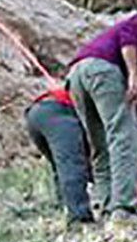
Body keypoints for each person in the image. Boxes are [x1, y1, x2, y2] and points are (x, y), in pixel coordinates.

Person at [66, 12, 137, 219]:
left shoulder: (109, 51)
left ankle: (104, 205)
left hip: (76, 75)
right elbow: (128, 34)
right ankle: (123, 208)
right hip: (101, 72)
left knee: (100, 144)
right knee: (124, 141)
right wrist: (134, 75)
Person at [25, 83, 94, 224]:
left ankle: (64, 206)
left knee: (62, 167)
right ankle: (79, 217)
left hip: (36, 113)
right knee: (72, 166)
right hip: (59, 111)